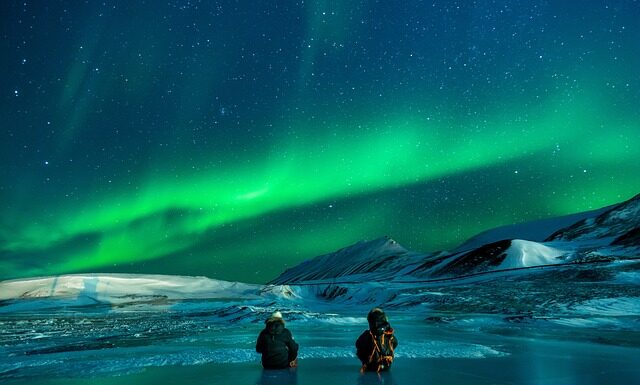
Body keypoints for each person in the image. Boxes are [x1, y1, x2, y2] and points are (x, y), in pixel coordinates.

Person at [356, 308, 398, 372]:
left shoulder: (367, 335)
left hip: (370, 367)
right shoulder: (388, 334)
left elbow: (358, 344)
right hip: (386, 366)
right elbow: (395, 343)